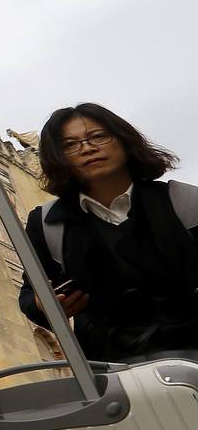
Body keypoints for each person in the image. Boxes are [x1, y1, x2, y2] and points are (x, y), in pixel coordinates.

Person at [18, 103, 194, 362]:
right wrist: (44, 305)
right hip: (115, 369)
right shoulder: (47, 224)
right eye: (70, 145)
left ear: (123, 140)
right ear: (58, 158)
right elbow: (30, 294)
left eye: (98, 136)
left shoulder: (185, 202)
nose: (87, 148)